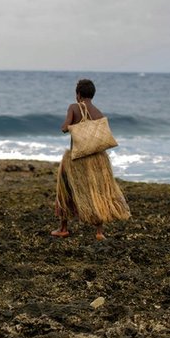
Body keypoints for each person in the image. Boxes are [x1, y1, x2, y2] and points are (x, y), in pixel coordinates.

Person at [52, 79, 130, 240]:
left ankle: (63, 228)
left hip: (77, 159)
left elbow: (65, 128)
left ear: (78, 94)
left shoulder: (74, 107)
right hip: (98, 159)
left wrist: (69, 126)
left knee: (65, 189)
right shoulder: (98, 113)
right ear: (92, 95)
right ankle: (99, 232)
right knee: (98, 192)